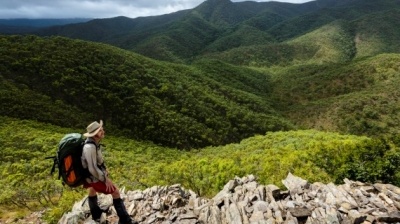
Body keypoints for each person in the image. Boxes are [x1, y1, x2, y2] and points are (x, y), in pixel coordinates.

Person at [81, 120, 137, 224]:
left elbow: (96, 163)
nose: (103, 131)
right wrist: (106, 180)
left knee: (92, 189)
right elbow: (92, 169)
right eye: (100, 130)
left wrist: (104, 169)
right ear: (94, 134)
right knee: (115, 192)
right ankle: (125, 220)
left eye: (102, 129)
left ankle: (96, 214)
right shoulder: (90, 147)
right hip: (93, 177)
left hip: (90, 176)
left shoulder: (94, 143)